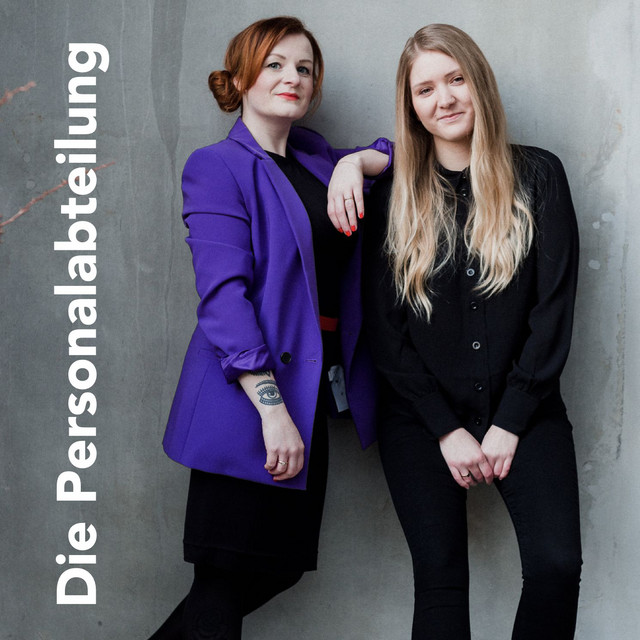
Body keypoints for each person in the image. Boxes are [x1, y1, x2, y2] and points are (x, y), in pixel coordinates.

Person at [149, 16, 391, 640]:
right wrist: (270, 408)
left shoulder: (316, 158)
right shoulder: (216, 165)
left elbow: (396, 157)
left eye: (304, 67)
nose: (293, 77)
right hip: (250, 398)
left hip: (307, 391)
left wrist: (354, 162)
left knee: (278, 567)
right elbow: (223, 297)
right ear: (238, 80)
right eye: (275, 64)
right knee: (223, 578)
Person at [363, 24, 582, 640]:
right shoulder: (392, 197)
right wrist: (445, 428)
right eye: (425, 88)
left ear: (479, 83)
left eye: (456, 79)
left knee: (556, 567)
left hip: (526, 406)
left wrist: (510, 420)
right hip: (420, 417)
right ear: (411, 106)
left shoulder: (539, 176)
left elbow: (553, 310)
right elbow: (385, 333)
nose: (445, 99)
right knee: (439, 584)